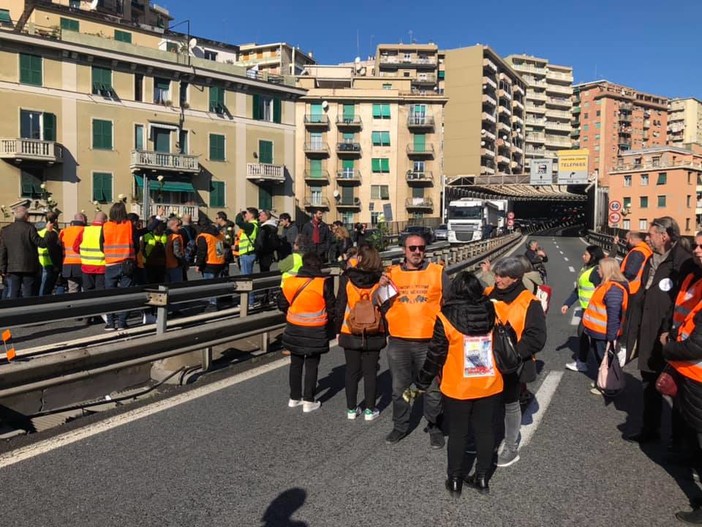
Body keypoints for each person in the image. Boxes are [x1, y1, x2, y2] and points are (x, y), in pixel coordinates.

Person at [416, 271, 499, 496]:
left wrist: (422, 381)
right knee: (485, 430)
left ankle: (454, 480)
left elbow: (436, 354)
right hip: (489, 382)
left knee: (458, 433)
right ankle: (482, 478)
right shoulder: (492, 311)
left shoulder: (445, 317)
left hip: (457, 384)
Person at [626, 217, 694, 444]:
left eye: (651, 234)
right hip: (648, 329)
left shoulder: (683, 263)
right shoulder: (651, 259)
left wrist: (670, 333)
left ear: (664, 236)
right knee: (649, 381)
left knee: (677, 388)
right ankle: (650, 429)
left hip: (671, 335)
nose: (648, 238)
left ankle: (679, 441)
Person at [380, 234, 450, 448]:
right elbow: (379, 302)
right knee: (399, 387)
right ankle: (400, 426)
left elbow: (452, 302)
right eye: (413, 248)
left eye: (421, 248)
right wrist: (380, 287)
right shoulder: (391, 274)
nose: (417, 252)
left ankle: (435, 426)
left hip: (429, 341)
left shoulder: (437, 272)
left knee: (431, 388)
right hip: (399, 341)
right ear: (404, 250)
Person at [487, 257, 547, 467]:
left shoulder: (529, 301)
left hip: (513, 363)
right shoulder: (488, 294)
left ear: (515, 278)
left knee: (510, 403)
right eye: (496, 274)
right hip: (487, 361)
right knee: (489, 403)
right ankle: (487, 440)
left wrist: (513, 354)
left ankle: (511, 447)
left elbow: (537, 337)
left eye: (502, 276)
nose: (497, 279)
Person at [662, 232, 702, 524]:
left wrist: (668, 346)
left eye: (701, 246)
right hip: (692, 374)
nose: (696, 250)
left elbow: (696, 345)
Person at [334, 245, 387, 421]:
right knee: (370, 371)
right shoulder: (381, 279)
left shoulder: (347, 278)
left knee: (351, 371)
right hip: (374, 328)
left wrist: (336, 331)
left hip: (350, 328)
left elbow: (340, 305)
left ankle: (351, 409)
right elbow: (385, 307)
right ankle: (370, 410)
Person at [278, 252, 335, 413]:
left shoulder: (290, 282)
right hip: (316, 328)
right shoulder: (323, 283)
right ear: (318, 265)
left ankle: (294, 397)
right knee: (312, 364)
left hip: (294, 326)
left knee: (295, 363)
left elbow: (281, 303)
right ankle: (309, 400)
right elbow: (331, 307)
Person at [581, 258, 629, 394]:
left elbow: (614, 315)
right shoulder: (607, 285)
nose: (597, 270)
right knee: (601, 357)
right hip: (598, 331)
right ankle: (605, 382)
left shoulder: (613, 289)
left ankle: (610, 387)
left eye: (600, 268)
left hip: (604, 332)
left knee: (606, 359)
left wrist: (611, 337)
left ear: (607, 270)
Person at [560, 245, 606, 372]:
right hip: (588, 311)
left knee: (595, 341)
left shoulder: (596, 272)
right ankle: (584, 362)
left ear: (593, 256)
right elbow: (578, 290)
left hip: (595, 312)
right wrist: (567, 304)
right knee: (584, 336)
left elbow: (603, 290)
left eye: (586, 254)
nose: (583, 256)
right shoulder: (586, 269)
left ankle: (604, 370)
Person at [615, 231, 653, 360]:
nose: (625, 242)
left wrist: (616, 279)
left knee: (629, 321)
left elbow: (630, 273)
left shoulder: (637, 252)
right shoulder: (645, 250)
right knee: (632, 320)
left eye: (626, 239)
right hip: (638, 290)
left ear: (631, 239)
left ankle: (625, 348)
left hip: (632, 290)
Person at [100, 202, 136, 331]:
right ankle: (122, 322)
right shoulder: (129, 225)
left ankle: (110, 323)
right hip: (127, 263)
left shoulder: (105, 226)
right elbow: (135, 241)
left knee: (110, 295)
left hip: (110, 264)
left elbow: (101, 244)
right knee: (126, 294)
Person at [0, 206, 50, 298]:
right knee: (28, 291)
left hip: (12, 266)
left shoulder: (5, 230)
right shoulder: (30, 228)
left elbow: (2, 250)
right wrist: (48, 232)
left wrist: (3, 268)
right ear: (26, 216)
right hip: (29, 266)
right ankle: (27, 310)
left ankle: (14, 310)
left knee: (14, 291)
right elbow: (42, 243)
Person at [195, 219, 227, 311]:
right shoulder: (218, 235)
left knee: (209, 285)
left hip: (209, 263)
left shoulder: (203, 236)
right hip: (219, 262)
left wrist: (198, 264)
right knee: (215, 284)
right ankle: (214, 302)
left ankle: (212, 304)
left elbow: (202, 251)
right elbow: (220, 249)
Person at [74, 211, 107, 293]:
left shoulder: (85, 230)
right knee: (100, 292)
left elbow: (75, 247)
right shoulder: (105, 230)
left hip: (86, 267)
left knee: (88, 292)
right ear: (105, 220)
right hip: (101, 267)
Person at [60, 212, 87, 293]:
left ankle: (73, 305)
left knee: (72, 289)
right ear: (83, 219)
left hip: (68, 265)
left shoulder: (64, 231)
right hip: (83, 263)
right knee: (85, 288)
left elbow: (58, 247)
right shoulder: (85, 230)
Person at [37, 212, 62, 296]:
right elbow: (53, 249)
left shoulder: (40, 232)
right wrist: (56, 265)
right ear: (55, 220)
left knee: (41, 285)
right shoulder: (53, 233)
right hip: (50, 262)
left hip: (40, 261)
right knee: (46, 287)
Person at [141, 220, 168, 285]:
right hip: (158, 263)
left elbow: (142, 249)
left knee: (152, 283)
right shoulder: (164, 235)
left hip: (151, 263)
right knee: (159, 283)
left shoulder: (146, 235)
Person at [235, 208, 259, 276]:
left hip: (247, 253)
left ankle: (247, 287)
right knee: (246, 275)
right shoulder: (254, 225)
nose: (245, 215)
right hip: (248, 253)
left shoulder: (251, 225)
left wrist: (239, 214)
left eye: (247, 213)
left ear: (251, 215)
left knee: (246, 276)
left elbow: (238, 222)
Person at [165, 217, 185, 284]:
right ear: (171, 225)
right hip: (175, 265)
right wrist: (183, 261)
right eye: (177, 225)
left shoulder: (164, 235)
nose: (179, 227)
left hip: (164, 264)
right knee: (176, 286)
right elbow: (177, 252)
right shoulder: (175, 237)